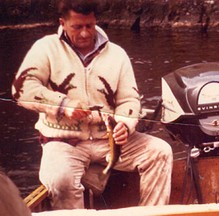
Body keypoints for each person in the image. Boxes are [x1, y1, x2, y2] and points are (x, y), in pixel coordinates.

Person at [11, 0, 173, 210]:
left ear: (95, 20)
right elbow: (22, 89)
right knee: (60, 181)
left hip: (109, 140)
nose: (85, 33)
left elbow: (130, 100)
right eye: (77, 27)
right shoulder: (45, 48)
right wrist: (63, 105)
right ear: (63, 22)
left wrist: (124, 124)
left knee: (160, 152)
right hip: (63, 143)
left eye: (89, 26)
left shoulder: (117, 54)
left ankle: (152, 214)